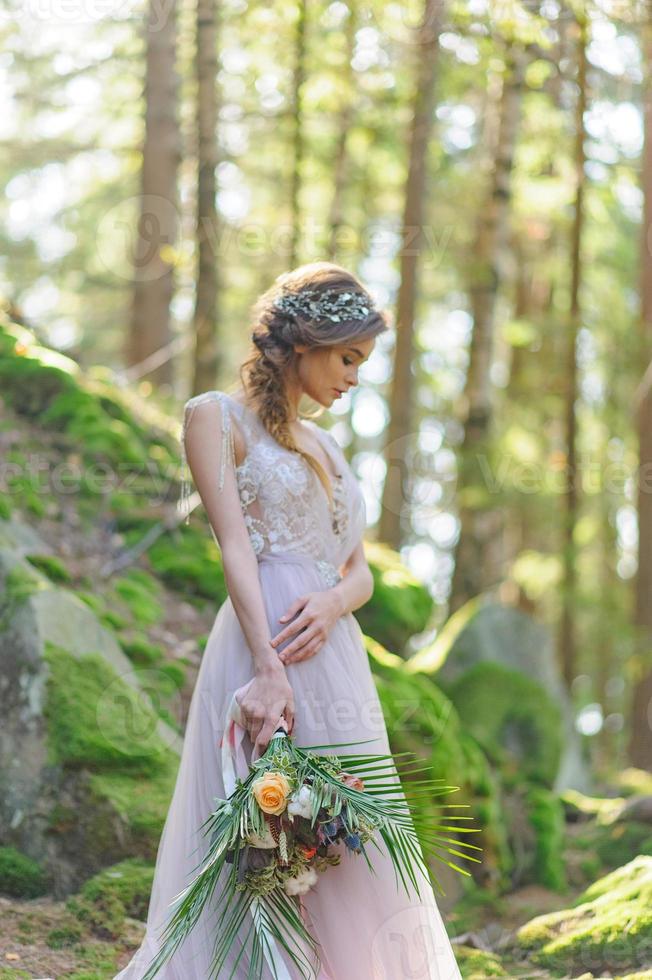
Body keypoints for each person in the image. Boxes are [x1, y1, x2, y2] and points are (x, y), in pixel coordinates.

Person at [114, 261, 462, 979]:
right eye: (348, 358)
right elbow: (234, 545)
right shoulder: (216, 417)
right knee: (261, 832)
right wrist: (267, 669)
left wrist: (335, 602)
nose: (354, 378)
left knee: (343, 834)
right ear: (305, 340)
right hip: (261, 641)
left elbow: (359, 571)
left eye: (364, 364)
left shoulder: (329, 447)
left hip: (335, 656)